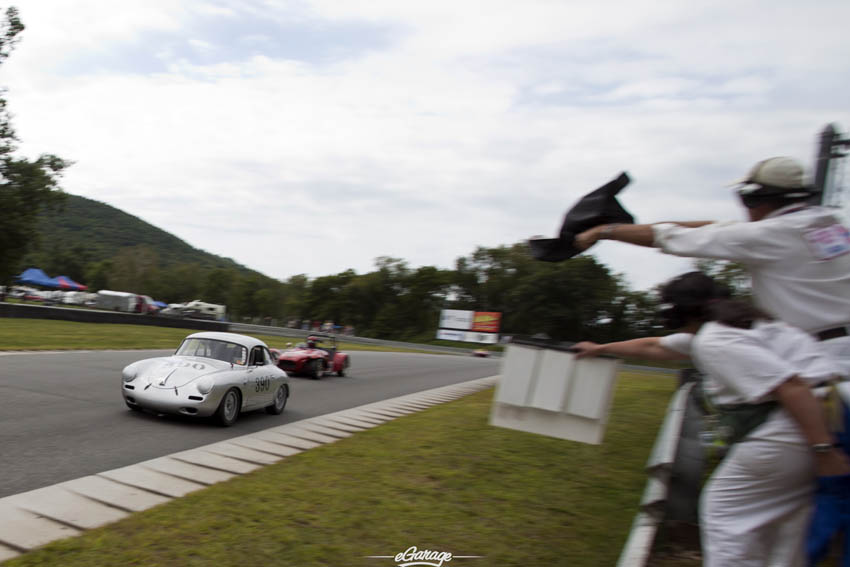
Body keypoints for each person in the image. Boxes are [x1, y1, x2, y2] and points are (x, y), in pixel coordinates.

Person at [575, 272, 850, 566]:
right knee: (786, 524)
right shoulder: (740, 326)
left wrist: (824, 450)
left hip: (790, 430)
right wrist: (601, 348)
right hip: (824, 417)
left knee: (723, 513)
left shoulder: (715, 340)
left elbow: (791, 386)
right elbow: (654, 346)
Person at [574, 156, 850, 375]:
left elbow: (673, 237)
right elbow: (720, 229)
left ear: (753, 198)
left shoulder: (766, 236)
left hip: (822, 360)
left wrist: (604, 231)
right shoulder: (832, 227)